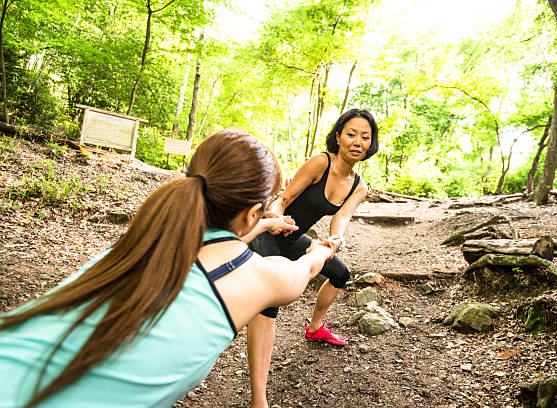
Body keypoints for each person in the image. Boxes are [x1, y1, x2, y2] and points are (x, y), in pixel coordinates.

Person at [0, 129, 334, 408]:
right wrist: (320, 250)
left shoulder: (142, 242)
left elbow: (215, 240)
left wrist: (260, 226)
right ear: (251, 213)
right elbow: (304, 270)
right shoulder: (260, 276)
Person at [247, 109, 379, 408]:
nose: (357, 141)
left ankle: (315, 327)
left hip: (293, 238)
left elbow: (341, 220)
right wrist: (276, 216)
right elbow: (283, 198)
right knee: (269, 305)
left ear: (371, 144)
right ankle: (259, 400)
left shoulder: (359, 187)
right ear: (338, 136)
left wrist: (335, 240)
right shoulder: (321, 162)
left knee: (340, 273)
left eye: (365, 137)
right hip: (269, 232)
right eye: (351, 134)